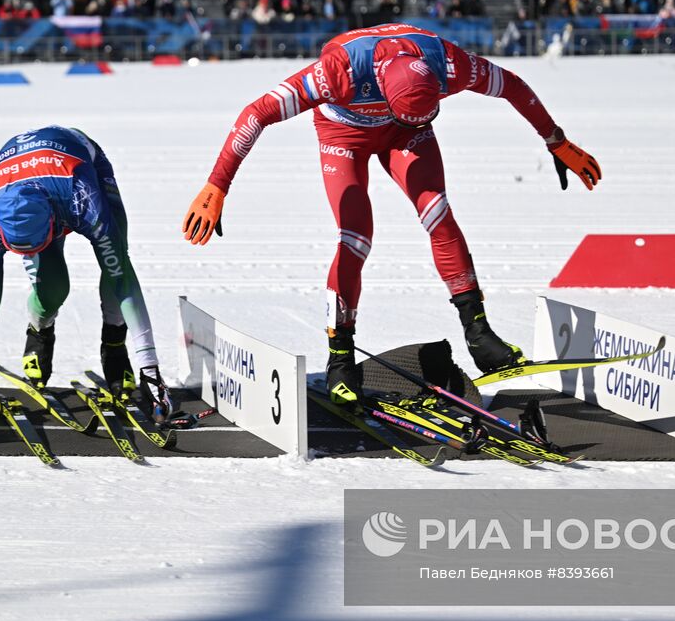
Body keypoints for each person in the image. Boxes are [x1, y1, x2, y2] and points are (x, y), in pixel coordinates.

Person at [181, 23, 602, 403]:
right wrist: (218, 184)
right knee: (355, 238)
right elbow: (257, 113)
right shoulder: (338, 71)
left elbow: (512, 85)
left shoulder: (447, 62)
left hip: (405, 132)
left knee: (438, 213)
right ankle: (340, 357)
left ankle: (479, 333)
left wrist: (556, 140)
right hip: (344, 133)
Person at [0, 126, 169, 428]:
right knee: (54, 289)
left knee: (115, 260)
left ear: (51, 222)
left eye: (37, 244)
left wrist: (150, 369)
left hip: (75, 167)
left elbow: (122, 278)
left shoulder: (83, 199)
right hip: (29, 183)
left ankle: (114, 342)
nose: (31, 252)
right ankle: (40, 331)